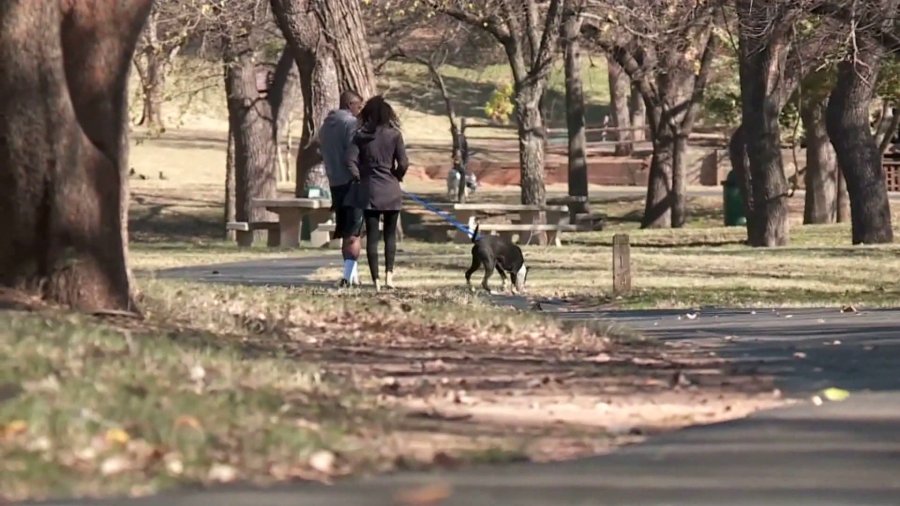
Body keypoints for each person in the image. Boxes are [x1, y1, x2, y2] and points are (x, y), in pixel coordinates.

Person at [347, 95, 408, 292]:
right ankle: (390, 275)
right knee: (390, 236)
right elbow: (404, 163)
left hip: (370, 190)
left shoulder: (361, 136)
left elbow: (350, 161)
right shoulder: (395, 135)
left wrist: (359, 178)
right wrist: (397, 176)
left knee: (372, 237)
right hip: (391, 190)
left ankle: (376, 281)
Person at [319, 90, 364, 287]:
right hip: (352, 182)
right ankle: (348, 277)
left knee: (346, 230)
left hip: (335, 182)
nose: (359, 111)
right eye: (359, 107)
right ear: (351, 104)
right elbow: (353, 154)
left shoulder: (326, 126)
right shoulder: (351, 124)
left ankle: (352, 274)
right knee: (354, 233)